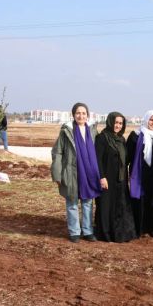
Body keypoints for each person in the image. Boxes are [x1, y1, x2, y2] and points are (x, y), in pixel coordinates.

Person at [51, 102, 101, 243]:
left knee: (88, 202)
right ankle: (74, 232)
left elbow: (99, 150)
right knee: (72, 202)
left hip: (89, 172)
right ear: (73, 115)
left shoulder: (93, 130)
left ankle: (88, 231)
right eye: (78, 113)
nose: (81, 116)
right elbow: (57, 152)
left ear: (87, 115)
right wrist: (57, 173)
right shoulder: (66, 131)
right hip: (71, 171)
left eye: (83, 113)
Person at [93, 112, 136, 242]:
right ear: (110, 122)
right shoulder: (102, 138)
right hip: (107, 178)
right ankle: (105, 234)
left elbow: (126, 159)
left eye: (120, 123)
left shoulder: (121, 139)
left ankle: (119, 234)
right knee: (106, 206)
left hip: (120, 179)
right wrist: (101, 177)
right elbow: (97, 160)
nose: (118, 126)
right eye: (116, 122)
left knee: (119, 206)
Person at [127, 110, 153, 237]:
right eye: (151, 120)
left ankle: (152, 228)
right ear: (146, 119)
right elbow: (128, 155)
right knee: (140, 200)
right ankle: (139, 228)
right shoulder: (135, 135)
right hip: (139, 172)